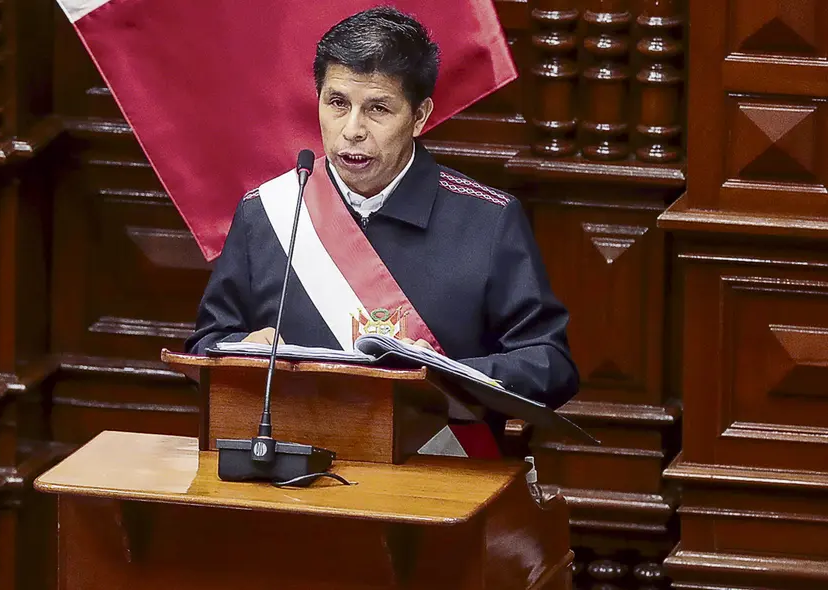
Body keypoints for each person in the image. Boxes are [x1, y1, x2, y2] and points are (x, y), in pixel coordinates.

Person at [186, 7, 578, 456]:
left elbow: (551, 366)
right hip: (294, 478)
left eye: (378, 109)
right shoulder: (270, 213)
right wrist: (241, 350)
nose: (352, 130)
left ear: (419, 115)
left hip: (438, 481)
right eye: (337, 104)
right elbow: (205, 347)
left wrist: (445, 376)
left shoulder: (488, 219)